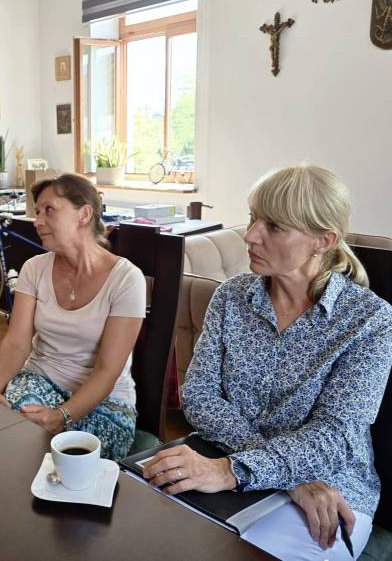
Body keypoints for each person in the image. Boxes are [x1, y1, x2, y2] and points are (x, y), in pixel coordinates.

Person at [142, 165, 392, 560]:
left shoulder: (369, 320)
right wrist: (270, 473)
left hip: (331, 490)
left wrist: (235, 470)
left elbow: (336, 435)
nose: (251, 235)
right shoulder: (231, 297)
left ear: (323, 240)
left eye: (274, 226)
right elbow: (199, 395)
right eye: (253, 217)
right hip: (225, 461)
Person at [0, 173, 145, 461]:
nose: (37, 221)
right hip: (40, 379)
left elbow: (108, 371)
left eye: (49, 210)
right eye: (37, 212)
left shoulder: (126, 279)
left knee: (69, 457)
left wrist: (62, 415)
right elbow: (17, 342)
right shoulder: (34, 269)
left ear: (84, 214)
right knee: (15, 433)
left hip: (106, 400)